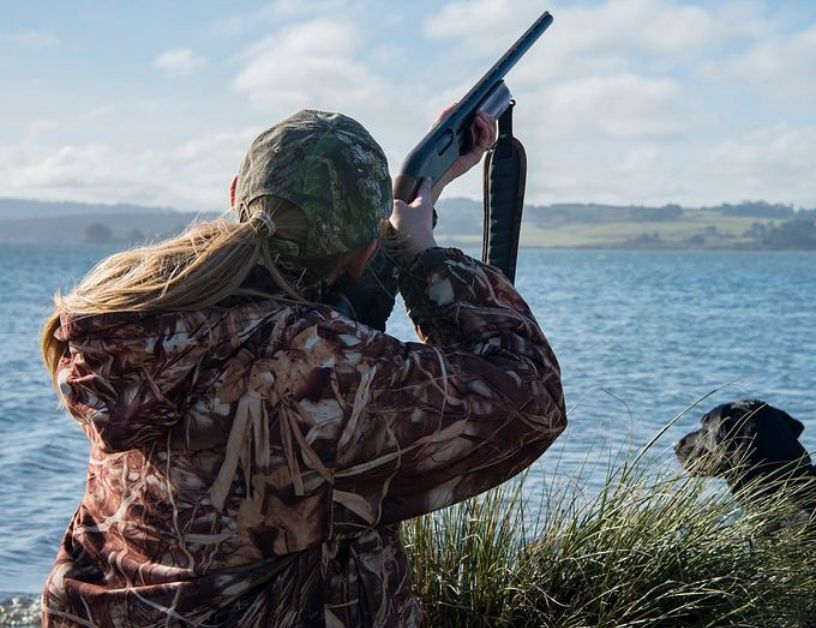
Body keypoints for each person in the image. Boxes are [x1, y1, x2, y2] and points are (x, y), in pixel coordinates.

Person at [38, 108, 566, 626]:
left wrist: (432, 181)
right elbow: (532, 397)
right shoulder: (315, 370)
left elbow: (324, 302)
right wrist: (423, 256)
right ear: (365, 252)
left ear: (235, 195)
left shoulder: (151, 319)